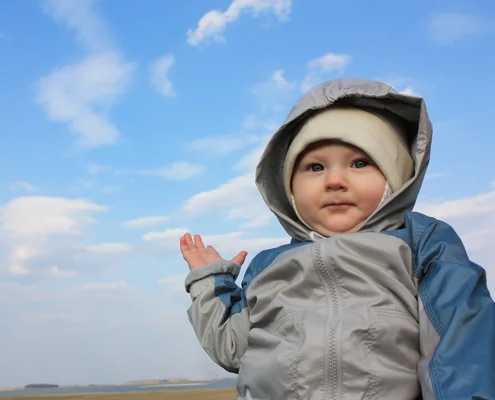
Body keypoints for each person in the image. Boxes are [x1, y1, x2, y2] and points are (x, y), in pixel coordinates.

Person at [179, 78, 495, 400]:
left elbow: (461, 345)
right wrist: (211, 282)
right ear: (289, 189)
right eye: (315, 167)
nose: (334, 181)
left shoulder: (420, 244)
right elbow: (234, 349)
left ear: (396, 175)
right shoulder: (268, 265)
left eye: (360, 163)